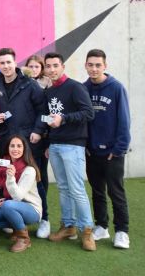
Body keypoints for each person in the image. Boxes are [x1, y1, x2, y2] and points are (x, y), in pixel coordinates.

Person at [0, 47, 50, 238]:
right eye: (2, 63)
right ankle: (13, 219)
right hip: (6, 142)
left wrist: (38, 131)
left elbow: (43, 109)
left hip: (29, 142)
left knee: (37, 182)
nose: (6, 66)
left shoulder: (29, 84)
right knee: (5, 177)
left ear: (15, 63)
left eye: (9, 62)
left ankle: (44, 218)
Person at [43, 52, 96, 251]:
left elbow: (88, 113)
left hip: (73, 145)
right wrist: (48, 142)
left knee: (76, 189)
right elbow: (50, 119)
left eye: (55, 65)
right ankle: (68, 226)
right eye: (48, 66)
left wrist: (64, 119)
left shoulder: (75, 87)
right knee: (63, 188)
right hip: (55, 145)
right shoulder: (49, 92)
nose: (52, 69)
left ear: (62, 66)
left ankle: (87, 231)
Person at [83, 49, 131, 249]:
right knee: (97, 191)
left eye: (98, 65)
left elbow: (124, 120)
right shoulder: (83, 88)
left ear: (105, 66)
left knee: (116, 192)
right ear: (85, 65)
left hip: (112, 152)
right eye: (90, 64)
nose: (94, 69)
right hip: (91, 151)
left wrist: (119, 148)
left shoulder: (116, 88)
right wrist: (85, 145)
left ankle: (122, 231)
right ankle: (101, 226)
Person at [0, 135, 42, 252]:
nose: (15, 149)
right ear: (8, 148)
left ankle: (23, 238)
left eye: (19, 146)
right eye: (12, 146)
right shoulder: (4, 164)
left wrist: (10, 177)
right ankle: (16, 225)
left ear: (24, 149)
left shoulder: (29, 170)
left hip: (31, 209)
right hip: (8, 204)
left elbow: (18, 197)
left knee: (8, 205)